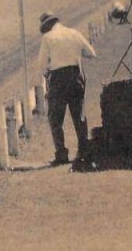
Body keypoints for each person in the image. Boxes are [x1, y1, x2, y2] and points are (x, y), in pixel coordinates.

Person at [37, 11, 97, 169]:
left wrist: (49, 72)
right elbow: (91, 53)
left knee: (55, 118)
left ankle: (61, 154)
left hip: (58, 78)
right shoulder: (74, 33)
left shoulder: (48, 38)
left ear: (47, 26)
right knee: (79, 116)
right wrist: (75, 55)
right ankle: (84, 151)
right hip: (76, 76)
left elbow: (42, 65)